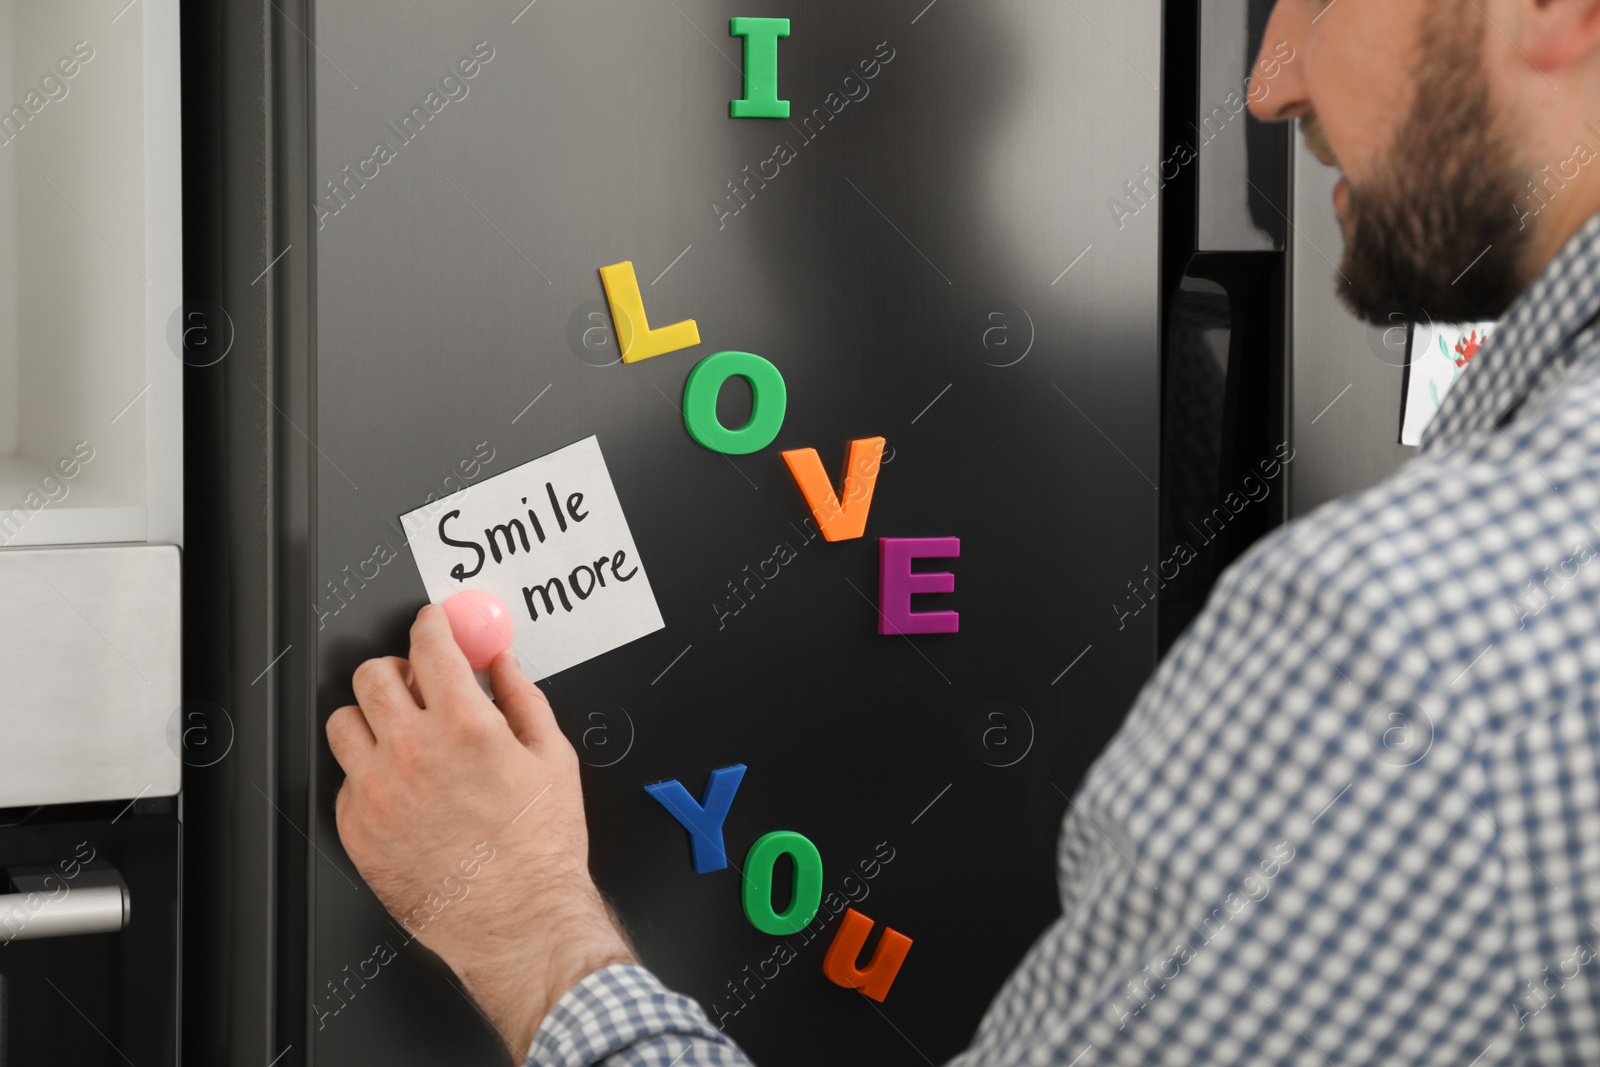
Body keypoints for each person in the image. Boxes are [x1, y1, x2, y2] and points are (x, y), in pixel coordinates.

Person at [326, 0, 1600, 1062]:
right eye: (801, 114)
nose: (1264, 85)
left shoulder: (1272, 515)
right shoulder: (670, 494)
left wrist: (525, 923)